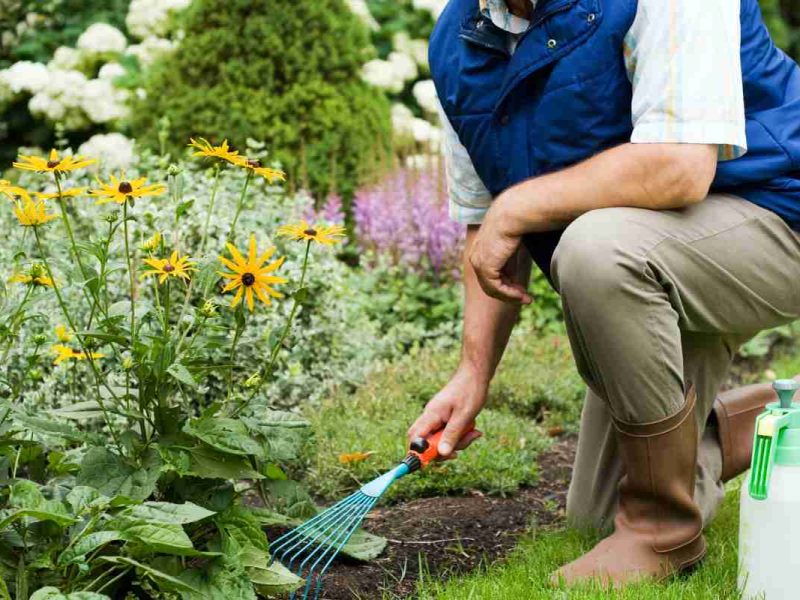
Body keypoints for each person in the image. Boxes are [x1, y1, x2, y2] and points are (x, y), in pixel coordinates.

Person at [407, 0, 800, 587]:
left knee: (596, 248)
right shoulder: (458, 42)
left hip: (781, 209)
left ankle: (660, 532)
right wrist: (472, 373)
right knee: (595, 515)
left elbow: (679, 169)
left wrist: (516, 208)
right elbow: (487, 230)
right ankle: (777, 425)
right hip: (669, 245)